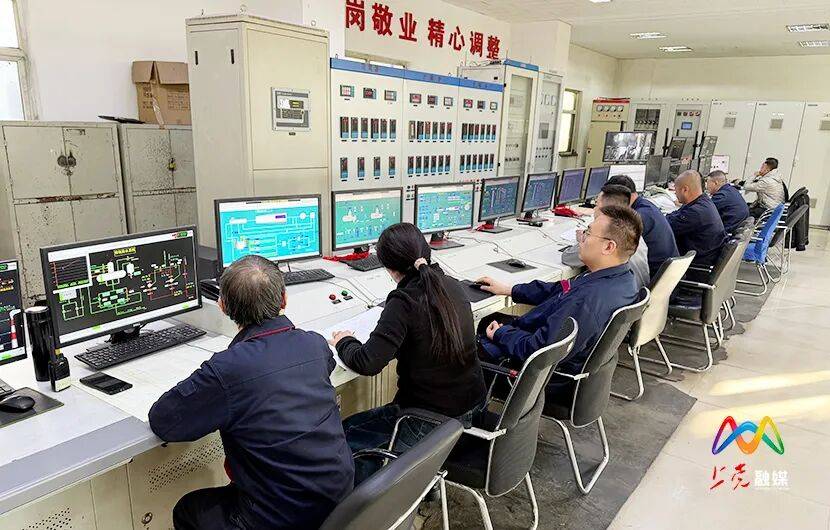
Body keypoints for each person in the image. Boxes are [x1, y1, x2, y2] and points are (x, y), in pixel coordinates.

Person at [148, 255, 353, 530]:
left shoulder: (227, 369)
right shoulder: (314, 344)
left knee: (188, 510)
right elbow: (322, 367)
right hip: (340, 500)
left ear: (222, 306)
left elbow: (164, 421)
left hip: (281, 516)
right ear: (284, 299)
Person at [330, 223, 486, 485]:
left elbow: (368, 362)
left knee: (343, 436)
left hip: (431, 423)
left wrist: (344, 341)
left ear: (389, 268)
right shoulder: (452, 285)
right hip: (473, 409)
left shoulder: (403, 301)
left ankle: (365, 503)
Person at [476, 205, 641, 399]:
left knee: (456, 343)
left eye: (588, 233)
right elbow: (560, 289)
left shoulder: (586, 301)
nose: (581, 238)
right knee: (488, 319)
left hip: (538, 380)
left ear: (608, 247)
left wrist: (502, 334)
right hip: (559, 361)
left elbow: (539, 352)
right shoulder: (621, 278)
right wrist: (511, 290)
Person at [562, 184, 651, 288]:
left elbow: (568, 258)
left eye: (596, 205)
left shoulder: (607, 236)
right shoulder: (633, 233)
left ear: (606, 209)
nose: (594, 209)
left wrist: (585, 237)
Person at [607, 174, 679, 278]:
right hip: (665, 274)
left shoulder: (639, 216)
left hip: (654, 275)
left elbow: (614, 244)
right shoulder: (646, 206)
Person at [667, 170, 728, 267]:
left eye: (676, 189)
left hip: (695, 266)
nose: (675, 193)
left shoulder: (696, 212)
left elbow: (665, 227)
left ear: (685, 190)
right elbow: (676, 215)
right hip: (704, 257)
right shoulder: (703, 201)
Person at [706, 170, 750, 234]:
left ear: (716, 183)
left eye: (708, 183)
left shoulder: (721, 195)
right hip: (736, 228)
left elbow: (705, 212)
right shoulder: (731, 189)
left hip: (727, 231)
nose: (707, 187)